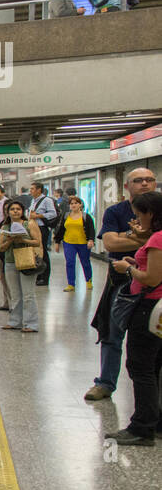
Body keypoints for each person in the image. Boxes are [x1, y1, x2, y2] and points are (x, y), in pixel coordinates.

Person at [88, 168, 157, 401]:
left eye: (149, 180)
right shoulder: (116, 211)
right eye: (138, 181)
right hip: (121, 281)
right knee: (112, 332)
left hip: (154, 284)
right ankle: (106, 382)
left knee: (151, 338)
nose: (145, 184)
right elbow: (110, 243)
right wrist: (141, 237)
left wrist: (134, 238)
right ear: (127, 186)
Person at [105, 191, 162, 445]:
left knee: (141, 367)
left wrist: (128, 268)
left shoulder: (158, 239)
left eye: (140, 214)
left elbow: (152, 279)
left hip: (147, 308)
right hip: (155, 307)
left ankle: (142, 427)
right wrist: (136, 264)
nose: (138, 219)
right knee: (154, 365)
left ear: (150, 213)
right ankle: (154, 420)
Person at [0, 200, 42, 333]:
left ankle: (31, 324)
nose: (15, 211)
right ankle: (15, 321)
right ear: (8, 212)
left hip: (26, 261)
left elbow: (37, 242)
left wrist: (23, 240)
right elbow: (1, 247)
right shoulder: (5, 228)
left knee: (28, 294)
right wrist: (10, 240)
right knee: (15, 294)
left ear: (22, 211)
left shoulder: (29, 224)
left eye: (18, 209)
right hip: (10, 262)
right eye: (12, 209)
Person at [52, 196, 95, 293]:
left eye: (76, 203)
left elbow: (91, 229)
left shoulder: (86, 217)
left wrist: (91, 240)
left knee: (85, 262)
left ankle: (88, 281)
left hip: (83, 243)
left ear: (80, 205)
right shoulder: (66, 216)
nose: (73, 205)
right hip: (68, 243)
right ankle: (71, 284)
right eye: (71, 204)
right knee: (70, 262)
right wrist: (57, 242)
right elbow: (61, 229)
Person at [27, 183, 58, 285]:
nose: (30, 191)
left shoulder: (46, 200)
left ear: (39, 190)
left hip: (42, 228)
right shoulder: (33, 200)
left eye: (32, 189)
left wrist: (39, 216)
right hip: (33, 227)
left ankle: (45, 278)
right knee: (36, 252)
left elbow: (53, 213)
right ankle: (38, 275)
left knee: (43, 252)